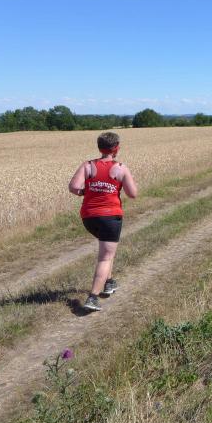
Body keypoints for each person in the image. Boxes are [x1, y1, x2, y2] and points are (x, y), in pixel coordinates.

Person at [68, 132, 138, 311]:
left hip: (89, 217)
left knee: (108, 250)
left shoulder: (87, 166)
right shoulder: (120, 168)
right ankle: (93, 297)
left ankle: (109, 282)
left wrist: (86, 192)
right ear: (116, 148)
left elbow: (73, 187)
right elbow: (132, 194)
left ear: (99, 148)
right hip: (110, 217)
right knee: (105, 257)